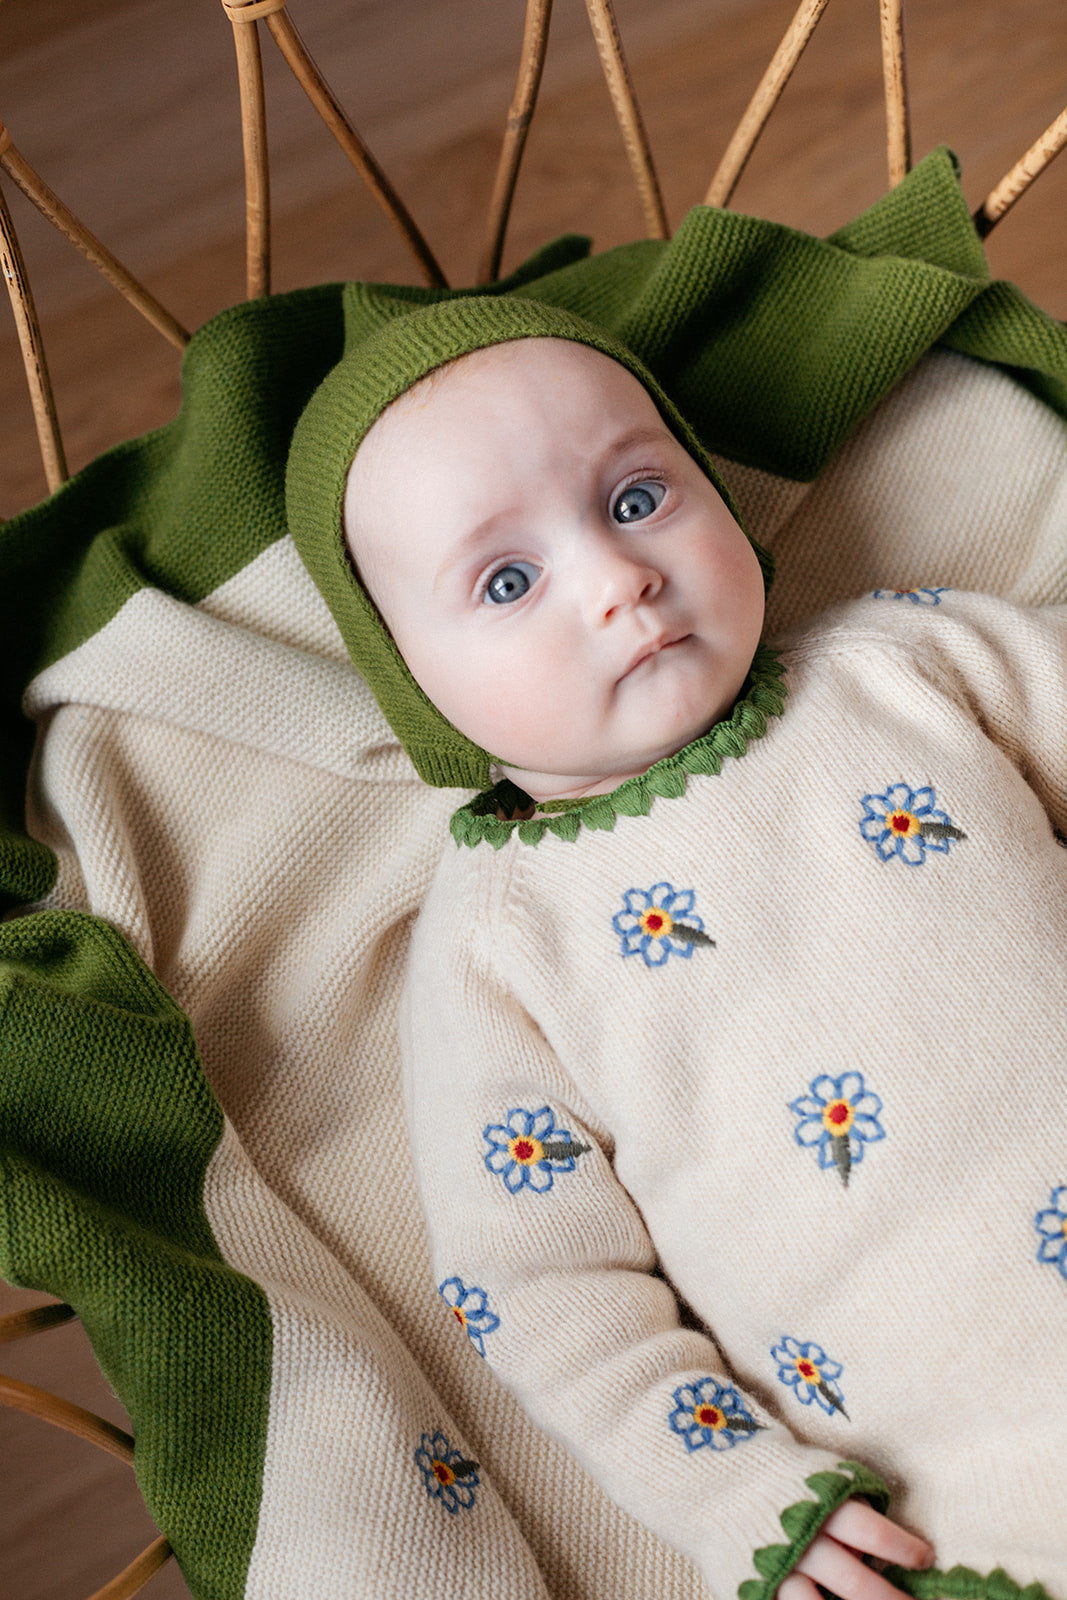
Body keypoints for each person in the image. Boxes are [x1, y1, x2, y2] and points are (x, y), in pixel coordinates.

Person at [286, 293, 1067, 1600]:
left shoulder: (911, 665)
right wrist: (744, 1497)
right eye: (507, 579)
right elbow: (545, 1296)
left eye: (638, 498)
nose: (616, 578)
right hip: (976, 1490)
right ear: (409, 679)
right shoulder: (495, 949)